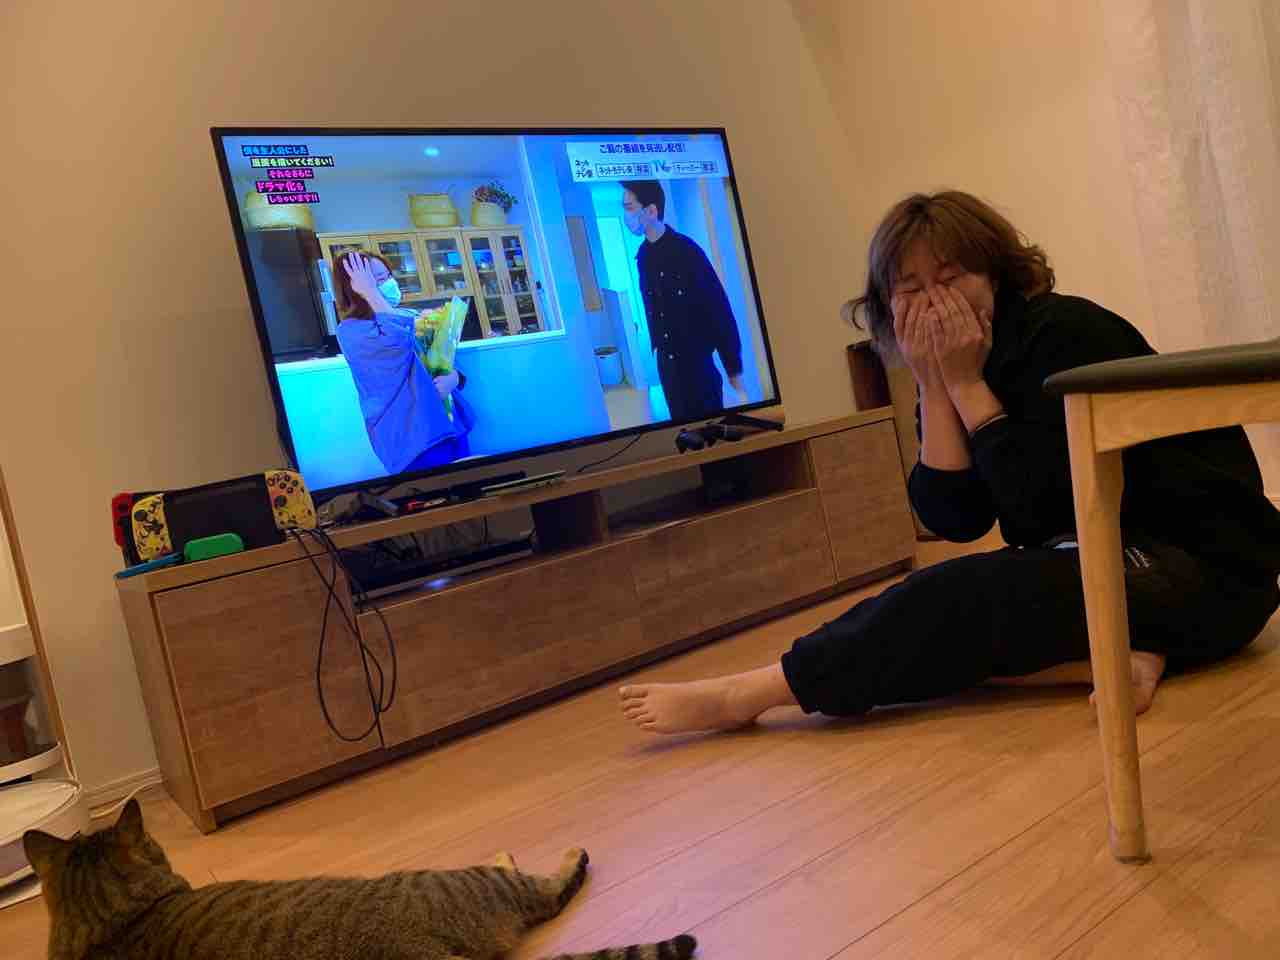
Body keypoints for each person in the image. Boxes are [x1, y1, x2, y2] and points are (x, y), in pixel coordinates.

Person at [620, 190, 1280, 735]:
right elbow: (953, 517)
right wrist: (934, 387)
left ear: (998, 275)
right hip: (1110, 569)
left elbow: (1038, 511)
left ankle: (755, 692)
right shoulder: (955, 362)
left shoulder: (1064, 334)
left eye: (952, 277)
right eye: (910, 288)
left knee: (956, 598)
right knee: (959, 618)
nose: (936, 303)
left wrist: (966, 385)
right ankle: (1112, 658)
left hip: (1209, 575)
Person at [333, 252, 473, 475]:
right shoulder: (352, 331)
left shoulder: (406, 314)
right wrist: (371, 292)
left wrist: (456, 377)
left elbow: (435, 356)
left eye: (388, 276)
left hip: (450, 426)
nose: (390, 283)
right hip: (416, 440)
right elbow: (396, 344)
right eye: (378, 279)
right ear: (355, 287)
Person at [622, 179, 748, 420]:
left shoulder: (686, 251)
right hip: (667, 366)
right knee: (683, 429)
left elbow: (718, 309)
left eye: (629, 208)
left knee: (711, 429)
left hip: (696, 364)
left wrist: (733, 368)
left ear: (651, 210)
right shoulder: (643, 257)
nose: (626, 216)